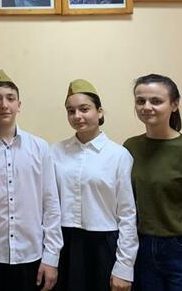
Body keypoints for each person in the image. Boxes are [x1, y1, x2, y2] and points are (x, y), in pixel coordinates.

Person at [0, 69, 62, 291]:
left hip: (33, 256)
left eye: (10, 98)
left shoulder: (40, 148)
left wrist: (51, 257)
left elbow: (51, 204)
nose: (4, 105)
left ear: (19, 104)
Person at [124, 74, 182, 291]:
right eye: (140, 101)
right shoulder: (130, 147)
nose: (147, 107)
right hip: (143, 248)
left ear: (174, 105)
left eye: (156, 101)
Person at [51, 79, 137, 291]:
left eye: (84, 109)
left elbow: (127, 214)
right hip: (64, 244)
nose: (77, 116)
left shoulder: (118, 155)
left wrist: (124, 266)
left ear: (99, 112)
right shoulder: (55, 152)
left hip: (103, 245)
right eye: (71, 111)